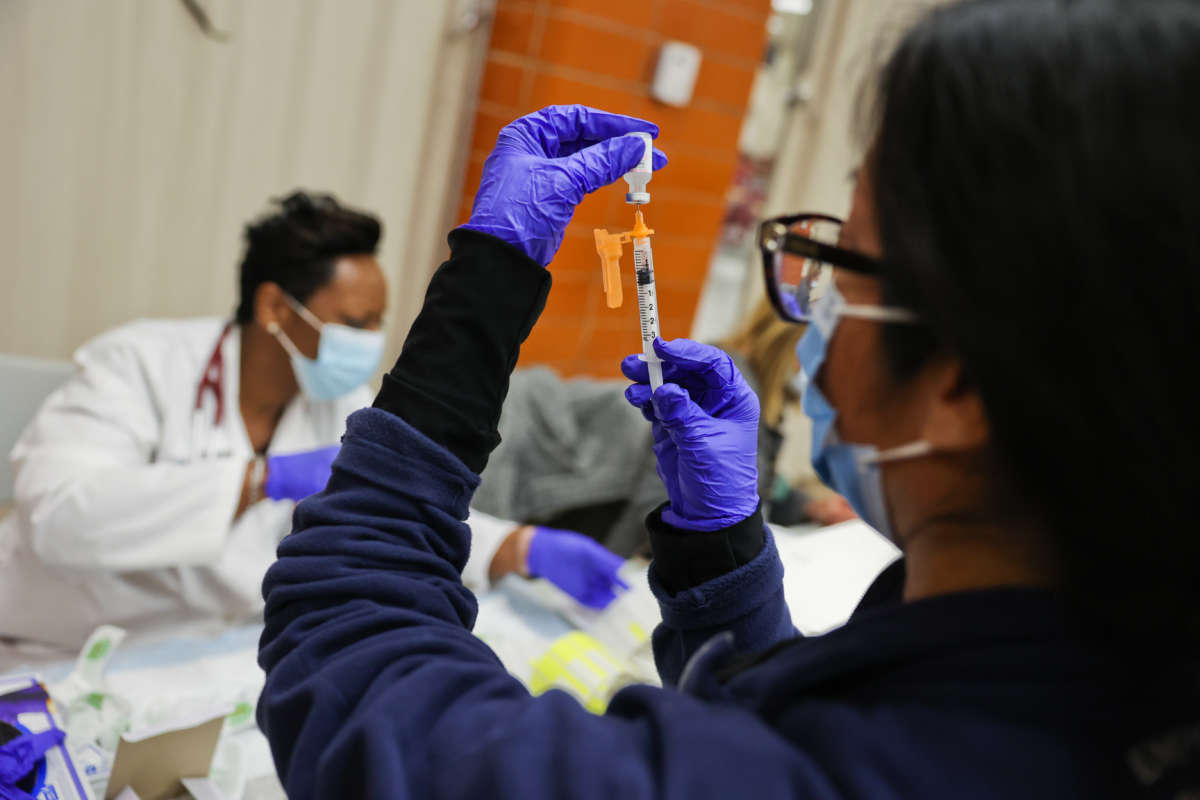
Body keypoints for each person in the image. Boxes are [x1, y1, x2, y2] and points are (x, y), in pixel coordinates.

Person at [256, 3, 1200, 796]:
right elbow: (794, 716)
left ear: (960, 384)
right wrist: (723, 551)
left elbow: (361, 672)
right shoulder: (1088, 698)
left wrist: (488, 286)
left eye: (838, 265)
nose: (810, 307)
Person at [0, 191, 625, 657]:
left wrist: (517, 546)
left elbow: (394, 506)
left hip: (210, 655)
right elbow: (58, 517)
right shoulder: (139, 363)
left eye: (379, 322)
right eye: (355, 323)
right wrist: (257, 478)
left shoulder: (338, 398)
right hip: (62, 649)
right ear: (275, 306)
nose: (372, 342)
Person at [472, 299, 853, 559]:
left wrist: (806, 505)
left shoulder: (742, 382)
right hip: (519, 444)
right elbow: (666, 506)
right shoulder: (728, 392)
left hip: (541, 439)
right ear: (798, 349)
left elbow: (756, 478)